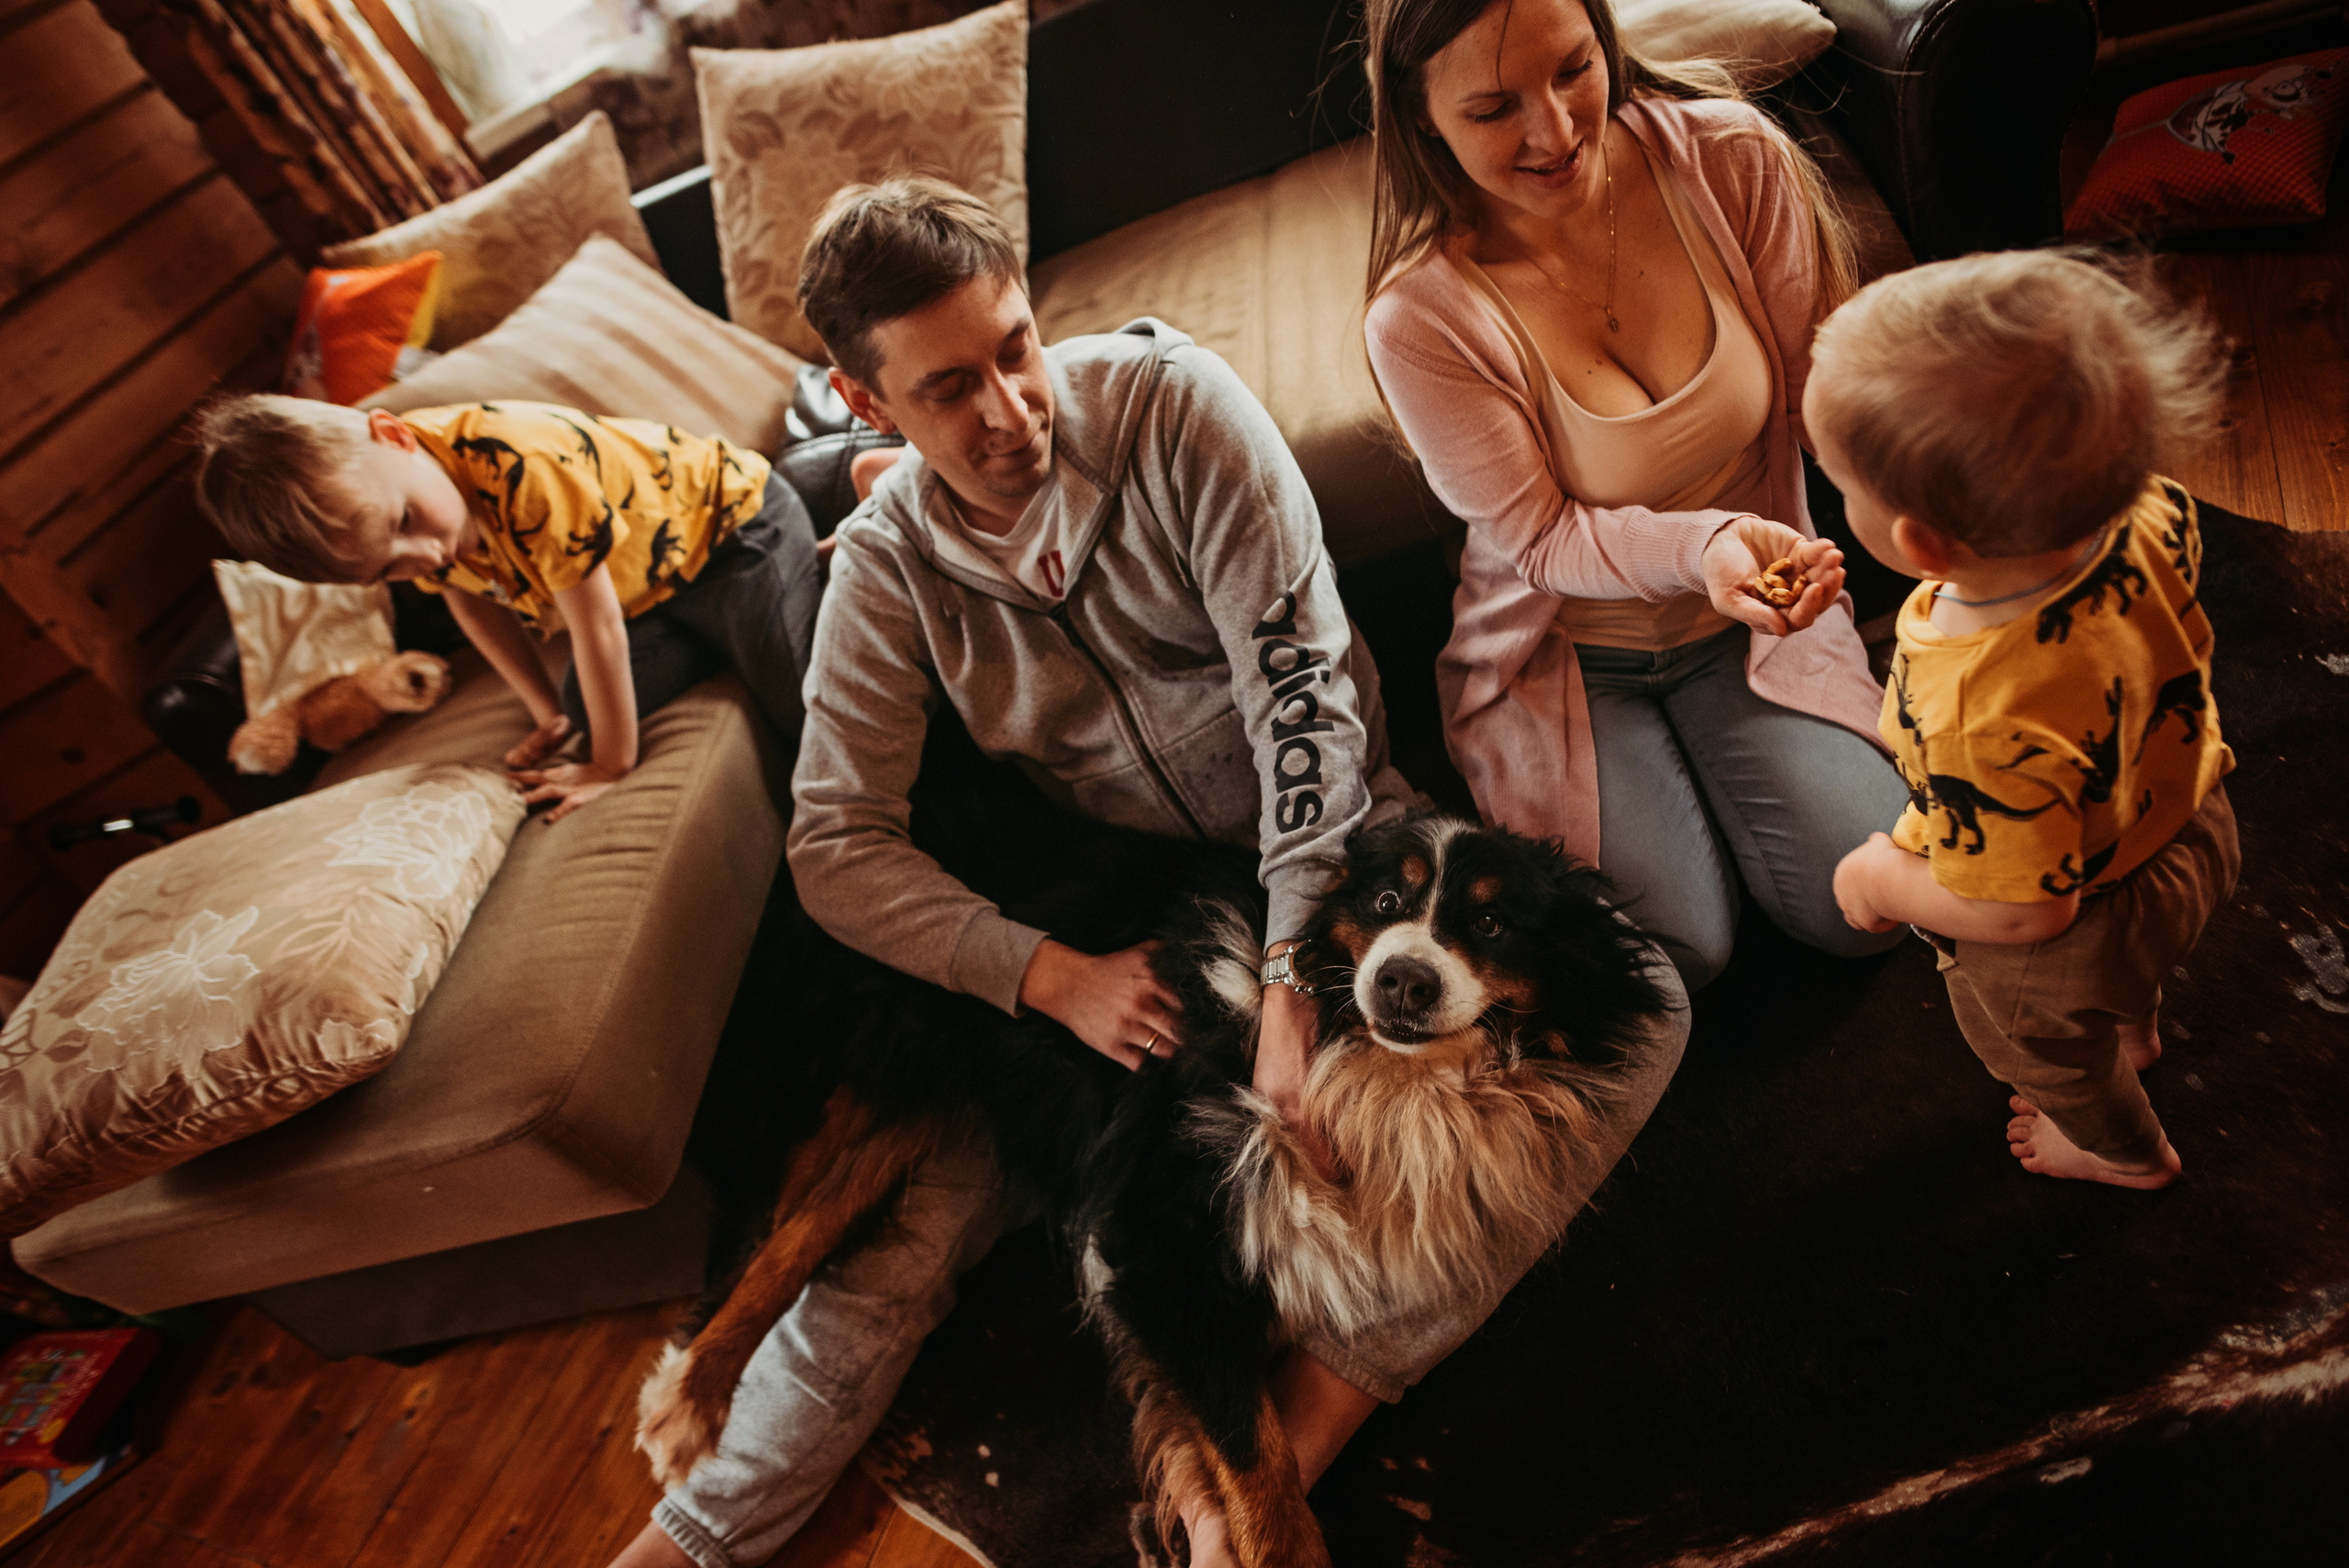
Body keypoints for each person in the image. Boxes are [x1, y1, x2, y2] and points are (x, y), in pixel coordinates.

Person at [607, 175, 1688, 1568]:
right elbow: (834, 847)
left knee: (1646, 1003)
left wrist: (1299, 971)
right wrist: (1043, 974)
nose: (1008, 410)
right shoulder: (883, 574)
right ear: (865, 406)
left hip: (1337, 865)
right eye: (949, 389)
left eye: (1015, 348)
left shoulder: (1178, 409)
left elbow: (1300, 696)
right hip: (1119, 929)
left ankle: (1298, 1429)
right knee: (908, 1228)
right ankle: (697, 1533)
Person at [1359, 0, 1909, 989]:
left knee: (1863, 909)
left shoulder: (1734, 159)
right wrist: (1707, 548)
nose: (1556, 130)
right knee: (1670, 955)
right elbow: (1537, 536)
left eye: (1574, 69)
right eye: (1493, 108)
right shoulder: (1418, 318)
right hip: (1568, 655)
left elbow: (1835, 389)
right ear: (1419, 115)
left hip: (1756, 625)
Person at [1819, 251, 2234, 1191]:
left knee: (2044, 1051)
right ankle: (2135, 1025)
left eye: (1839, 483)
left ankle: (2120, 1149)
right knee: (2135, 968)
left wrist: (1881, 874)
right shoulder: (2144, 508)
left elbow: (2020, 906)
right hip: (2190, 820)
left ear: (1922, 543)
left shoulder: (1977, 705)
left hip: (2066, 935)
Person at [191, 395, 820, 819]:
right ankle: (748, 618)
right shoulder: (418, 530)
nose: (429, 552)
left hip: (736, 531)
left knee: (800, 700)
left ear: (394, 436)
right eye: (390, 567)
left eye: (406, 519)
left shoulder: (520, 463)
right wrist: (545, 712)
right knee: (580, 709)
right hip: (652, 592)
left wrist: (609, 765)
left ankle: (822, 558)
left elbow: (594, 625)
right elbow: (475, 609)